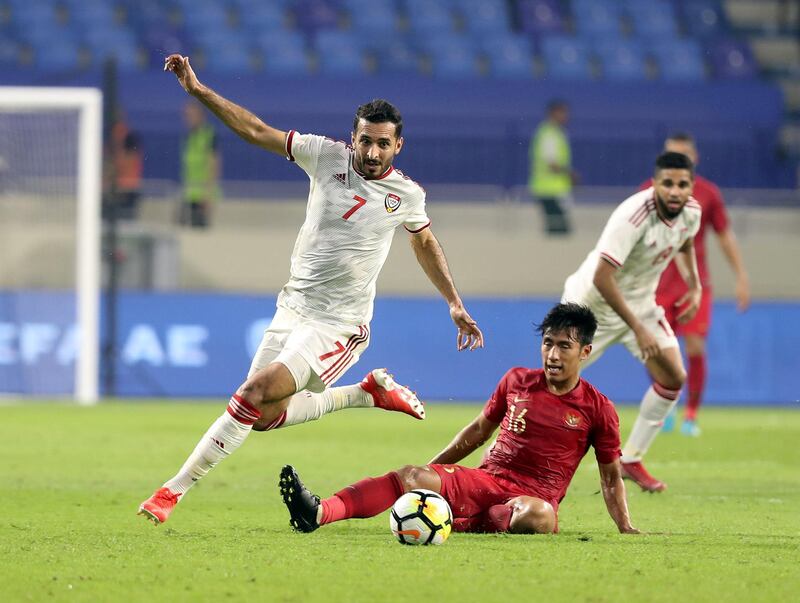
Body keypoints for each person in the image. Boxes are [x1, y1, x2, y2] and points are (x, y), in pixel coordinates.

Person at [138, 54, 484, 525]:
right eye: (366, 141)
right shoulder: (325, 156)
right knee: (261, 414)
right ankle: (364, 394)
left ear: (398, 145)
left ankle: (170, 492)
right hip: (292, 307)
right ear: (353, 137)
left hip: (340, 324)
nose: (373, 152)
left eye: (383, 144)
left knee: (254, 390)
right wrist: (199, 92)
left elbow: (423, 240)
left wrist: (454, 303)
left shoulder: (407, 195)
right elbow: (258, 131)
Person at [280, 303, 639, 536]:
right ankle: (320, 512)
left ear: (585, 352)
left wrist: (625, 526)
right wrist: (428, 474)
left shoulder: (598, 408)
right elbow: (478, 433)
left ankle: (457, 521)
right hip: (486, 481)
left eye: (564, 346)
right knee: (409, 475)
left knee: (540, 516)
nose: (552, 354)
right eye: (547, 343)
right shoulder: (517, 381)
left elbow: (610, 478)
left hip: (533, 498)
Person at [562, 152, 702, 493]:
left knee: (673, 376)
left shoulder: (692, 213)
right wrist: (638, 330)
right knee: (551, 385)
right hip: (589, 306)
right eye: (667, 183)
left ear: (690, 187)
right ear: (654, 184)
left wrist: (694, 285)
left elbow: (684, 242)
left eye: (682, 184)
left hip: (638, 304)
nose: (674, 191)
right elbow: (602, 277)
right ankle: (500, 460)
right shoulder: (634, 216)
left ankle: (631, 459)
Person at [644, 133, 749, 437]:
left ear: (695, 159)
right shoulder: (647, 193)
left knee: (694, 345)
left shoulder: (708, 193)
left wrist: (741, 276)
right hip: (656, 286)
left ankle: (691, 414)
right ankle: (667, 406)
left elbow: (724, 236)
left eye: (683, 157)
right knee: (654, 350)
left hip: (695, 285)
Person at [529, 99, 578, 235]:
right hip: (549, 191)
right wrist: (571, 174)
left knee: (557, 230)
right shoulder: (549, 134)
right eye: (562, 113)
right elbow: (552, 164)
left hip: (552, 190)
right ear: (553, 113)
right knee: (558, 231)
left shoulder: (554, 132)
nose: (566, 116)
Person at [180, 100, 221, 228]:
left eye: (191, 115)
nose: (187, 119)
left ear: (201, 115)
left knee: (201, 232)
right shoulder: (188, 136)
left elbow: (214, 165)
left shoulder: (209, 135)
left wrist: (208, 195)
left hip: (203, 195)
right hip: (189, 193)